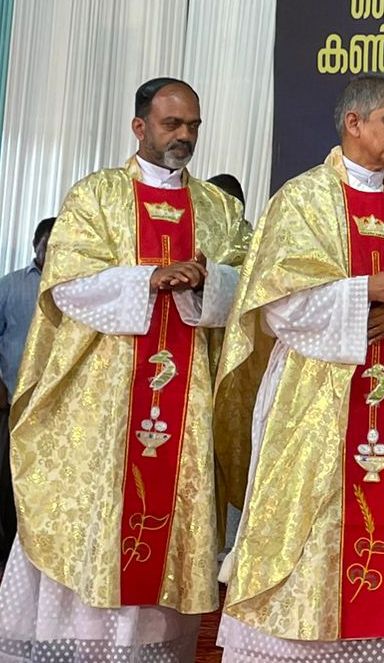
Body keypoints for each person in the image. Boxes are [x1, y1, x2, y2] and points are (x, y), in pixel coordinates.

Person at [213, 72, 384, 660]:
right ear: (354, 122)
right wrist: (367, 291)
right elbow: (276, 305)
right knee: (313, 532)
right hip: (315, 406)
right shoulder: (301, 200)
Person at [0, 77, 249, 661]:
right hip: (106, 407)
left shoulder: (219, 209)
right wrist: (148, 279)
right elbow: (66, 285)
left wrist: (209, 282)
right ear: (140, 127)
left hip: (185, 407)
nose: (184, 136)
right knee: (99, 524)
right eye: (171, 124)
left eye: (193, 126)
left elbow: (251, 283)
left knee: (166, 531)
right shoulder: (96, 196)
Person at [0, 217, 55, 570]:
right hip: (15, 404)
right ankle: (8, 554)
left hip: (59, 407)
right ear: (35, 244)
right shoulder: (9, 286)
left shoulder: (75, 290)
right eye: (49, 243)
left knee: (48, 483)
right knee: (10, 480)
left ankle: (40, 556)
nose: (54, 250)